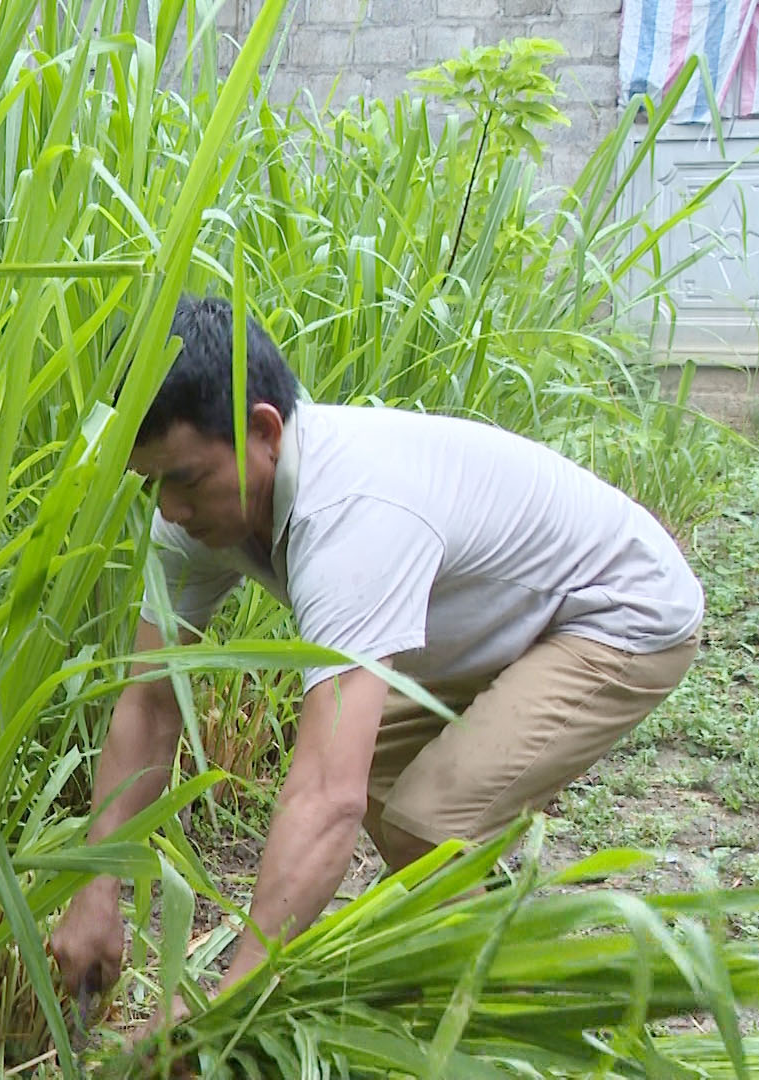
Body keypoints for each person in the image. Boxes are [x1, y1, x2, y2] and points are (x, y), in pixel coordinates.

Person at [48, 293, 704, 1019]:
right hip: (485, 621)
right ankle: (485, 982)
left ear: (263, 430)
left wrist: (231, 1004)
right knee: (387, 794)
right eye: (150, 483)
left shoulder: (350, 519)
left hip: (615, 611)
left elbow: (327, 796)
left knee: (431, 815)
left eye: (183, 479)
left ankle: (500, 1020)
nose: (167, 509)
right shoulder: (197, 512)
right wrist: (95, 886)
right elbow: (148, 701)